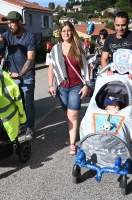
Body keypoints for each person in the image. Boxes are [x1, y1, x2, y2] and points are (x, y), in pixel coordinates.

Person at [0, 11, 36, 141]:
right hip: (12, 78)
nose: (10, 26)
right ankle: (20, 124)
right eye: (8, 23)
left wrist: (20, 74)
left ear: (20, 22)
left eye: (12, 23)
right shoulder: (7, 35)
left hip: (27, 77)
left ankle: (29, 128)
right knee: (14, 103)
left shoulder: (30, 37)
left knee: (28, 104)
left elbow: (30, 59)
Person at [48, 21, 90, 155]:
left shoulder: (80, 47)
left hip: (77, 85)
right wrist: (50, 85)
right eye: (63, 31)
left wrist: (86, 85)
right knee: (67, 114)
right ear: (60, 33)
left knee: (73, 114)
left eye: (68, 30)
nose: (66, 33)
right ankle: (72, 133)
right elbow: (52, 68)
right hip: (62, 86)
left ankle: (72, 144)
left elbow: (87, 67)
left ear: (72, 31)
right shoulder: (55, 49)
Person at [101, 11, 132, 79]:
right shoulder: (109, 38)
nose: (120, 28)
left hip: (131, 77)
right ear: (114, 23)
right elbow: (103, 58)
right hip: (113, 76)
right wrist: (107, 71)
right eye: (117, 25)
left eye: (123, 25)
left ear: (128, 23)